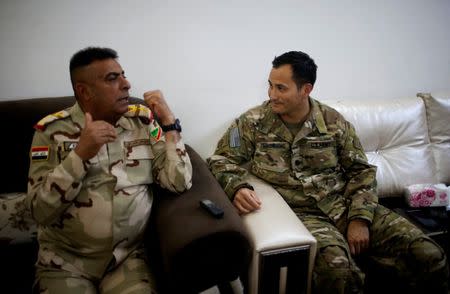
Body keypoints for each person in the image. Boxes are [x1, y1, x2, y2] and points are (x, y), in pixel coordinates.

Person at [207, 51, 449, 293]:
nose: (272, 94)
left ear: (306, 90)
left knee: (428, 253)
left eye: (281, 88)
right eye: (270, 86)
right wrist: (237, 186)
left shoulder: (333, 122)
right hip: (303, 215)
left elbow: (361, 171)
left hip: (345, 203)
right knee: (339, 274)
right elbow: (221, 159)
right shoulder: (253, 122)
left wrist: (359, 219)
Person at [26, 47, 192, 293]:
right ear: (85, 91)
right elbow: (38, 211)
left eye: (123, 75)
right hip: (65, 264)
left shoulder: (141, 121)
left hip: (127, 260)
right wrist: (80, 154)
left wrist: (169, 123)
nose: (127, 84)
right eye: (112, 78)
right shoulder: (51, 131)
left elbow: (179, 182)